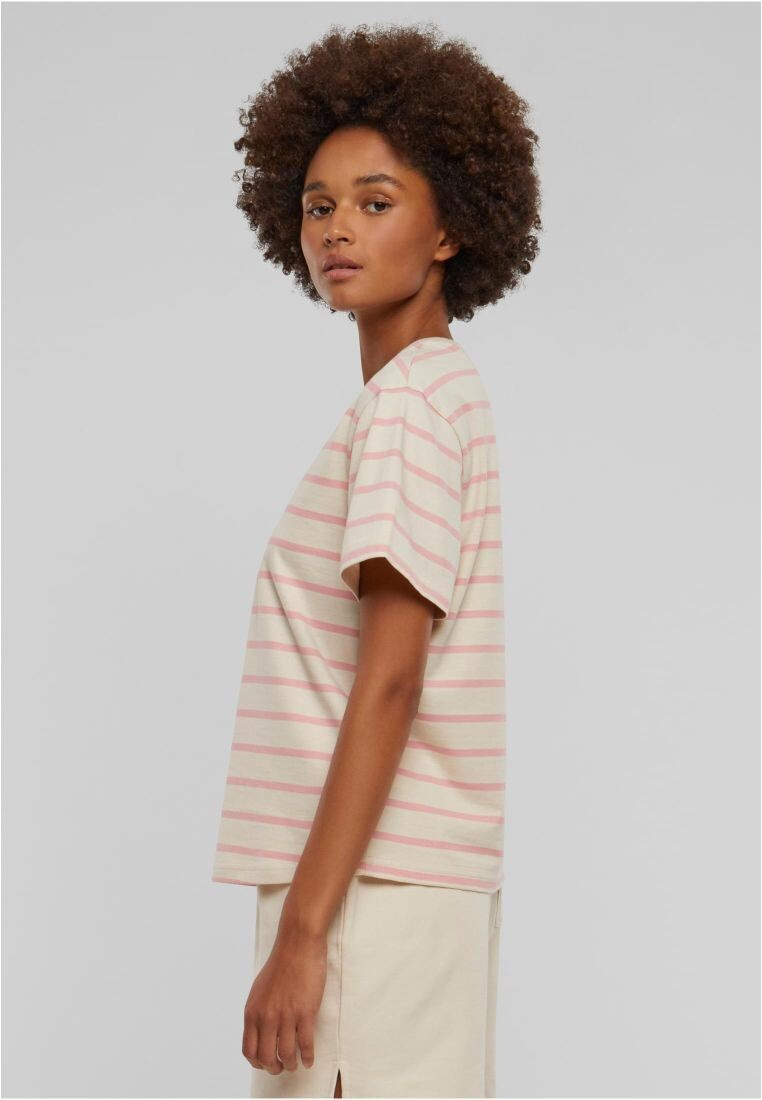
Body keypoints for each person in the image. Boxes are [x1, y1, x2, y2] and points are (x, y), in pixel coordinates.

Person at [211, 22, 542, 1099]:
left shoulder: (405, 409)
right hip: (409, 887)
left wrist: (305, 933)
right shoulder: (442, 392)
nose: (338, 229)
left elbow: (392, 678)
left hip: (367, 894)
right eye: (318, 205)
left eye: (376, 200)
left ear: (452, 227)